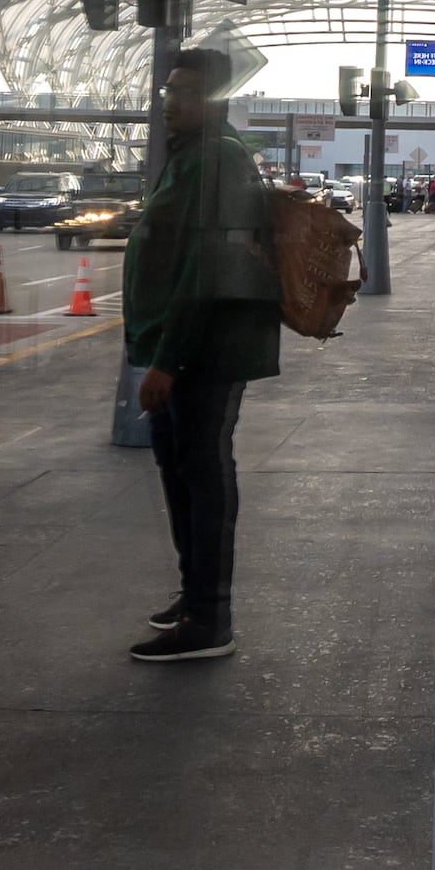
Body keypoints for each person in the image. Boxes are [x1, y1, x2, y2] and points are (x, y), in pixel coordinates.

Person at [125, 47, 284, 663]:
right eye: (169, 89)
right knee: (181, 467)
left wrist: (169, 360)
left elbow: (204, 270)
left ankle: (210, 617)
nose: (171, 101)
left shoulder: (216, 160)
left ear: (216, 101)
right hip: (189, 343)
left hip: (203, 349)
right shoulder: (194, 155)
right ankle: (195, 596)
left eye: (187, 92)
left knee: (203, 473)